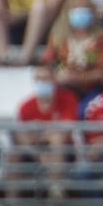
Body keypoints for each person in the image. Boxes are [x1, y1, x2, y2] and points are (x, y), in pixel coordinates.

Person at [13, 64, 79, 198]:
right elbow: (23, 137)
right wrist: (39, 152)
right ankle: (11, 203)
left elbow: (65, 131)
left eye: (45, 78)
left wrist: (40, 134)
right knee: (12, 154)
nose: (41, 82)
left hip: (65, 152)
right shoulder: (26, 106)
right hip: (34, 152)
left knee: (57, 140)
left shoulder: (68, 99)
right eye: (38, 79)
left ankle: (55, 192)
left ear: (54, 79)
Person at [45, 0, 103, 107]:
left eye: (85, 9)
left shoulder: (102, 39)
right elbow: (47, 64)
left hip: (93, 90)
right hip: (63, 89)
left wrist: (76, 78)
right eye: (76, 8)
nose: (80, 13)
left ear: (93, 12)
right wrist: (57, 76)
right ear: (67, 12)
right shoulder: (57, 39)